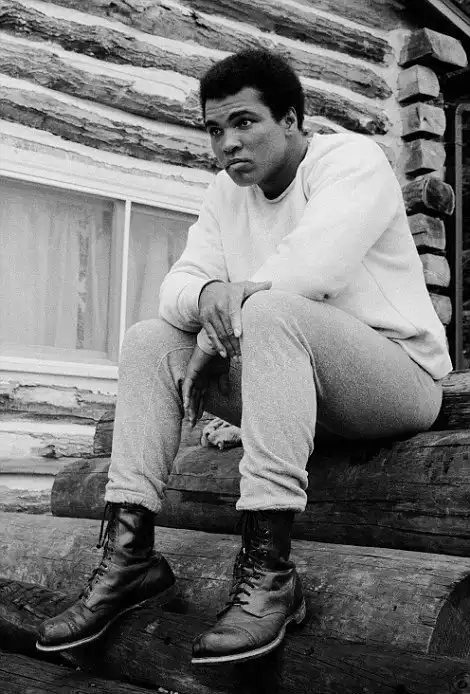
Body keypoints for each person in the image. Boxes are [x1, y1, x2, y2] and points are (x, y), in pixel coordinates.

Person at [35, 48, 452, 665]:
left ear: (291, 119)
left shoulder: (351, 160)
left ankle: (270, 571)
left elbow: (313, 271)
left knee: (270, 310)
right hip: (296, 388)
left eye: (244, 122)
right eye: (214, 129)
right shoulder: (225, 195)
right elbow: (176, 289)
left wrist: (214, 333)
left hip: (397, 380)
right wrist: (208, 292)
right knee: (149, 339)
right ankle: (129, 556)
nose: (227, 143)